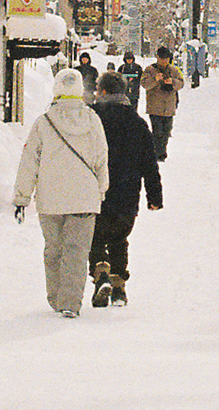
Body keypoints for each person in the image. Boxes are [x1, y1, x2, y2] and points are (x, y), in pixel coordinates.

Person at [12, 67, 109, 318]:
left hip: (51, 200)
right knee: (77, 252)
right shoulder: (92, 121)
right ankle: (69, 302)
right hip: (84, 199)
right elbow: (101, 158)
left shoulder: (44, 123)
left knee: (54, 249)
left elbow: (29, 161)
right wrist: (101, 189)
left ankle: (55, 297)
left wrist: (22, 197)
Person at [88, 71, 162, 307]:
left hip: (95, 190)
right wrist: (154, 196)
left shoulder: (91, 119)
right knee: (119, 239)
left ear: (105, 92)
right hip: (127, 193)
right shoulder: (137, 123)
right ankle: (119, 287)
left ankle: (100, 272)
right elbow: (149, 162)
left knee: (95, 237)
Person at [138, 46, 186, 161]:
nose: (164, 61)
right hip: (155, 107)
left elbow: (181, 83)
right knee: (157, 131)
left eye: (166, 59)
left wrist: (172, 82)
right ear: (157, 58)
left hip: (169, 107)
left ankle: (162, 151)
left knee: (166, 132)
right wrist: (155, 79)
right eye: (162, 58)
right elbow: (144, 84)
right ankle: (157, 154)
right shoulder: (150, 70)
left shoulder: (174, 70)